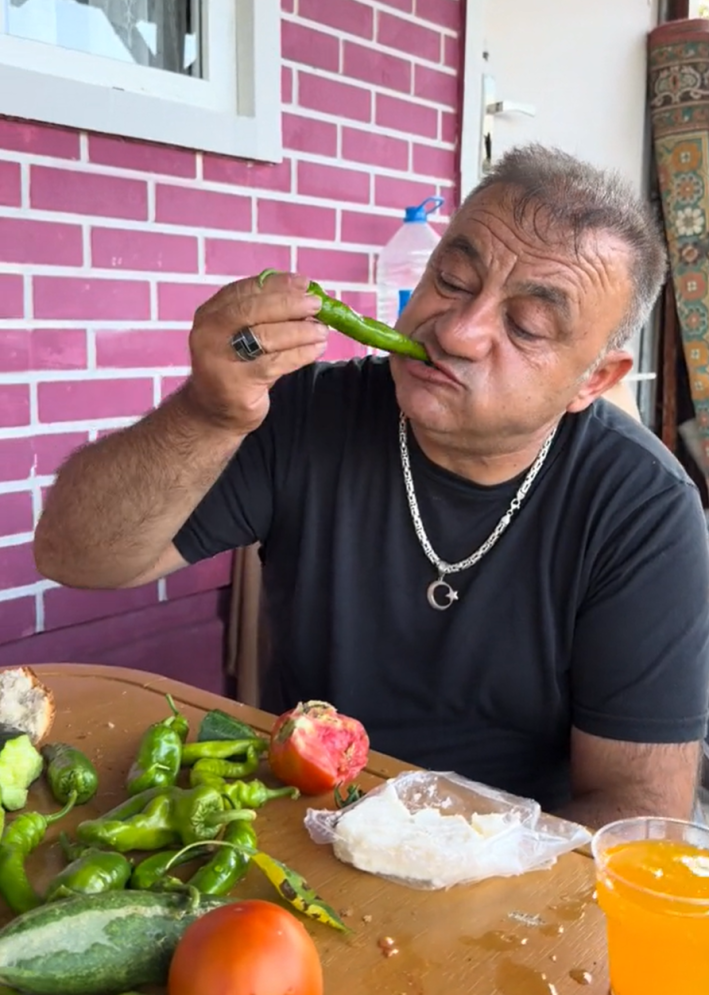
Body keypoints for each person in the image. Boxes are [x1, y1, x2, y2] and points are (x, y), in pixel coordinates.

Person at [34, 144, 709, 829]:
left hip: (512, 869)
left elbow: (639, 812)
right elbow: (74, 555)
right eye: (451, 278)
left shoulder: (641, 509)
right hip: (298, 821)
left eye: (526, 325)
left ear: (592, 380)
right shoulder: (304, 413)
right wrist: (207, 413)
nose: (459, 331)